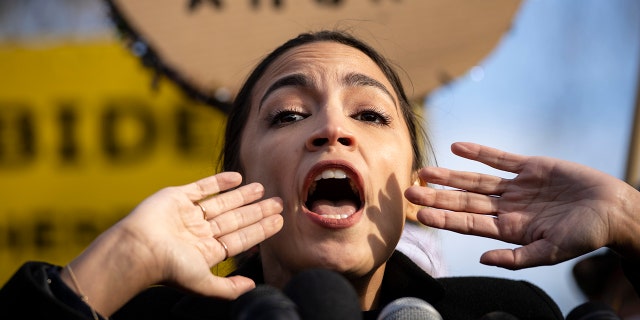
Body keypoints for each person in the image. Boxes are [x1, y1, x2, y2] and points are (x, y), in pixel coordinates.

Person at [1, 30, 639, 319]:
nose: (332, 128)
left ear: (411, 185)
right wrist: (124, 258)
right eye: (287, 115)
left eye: (368, 113)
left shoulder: (503, 316)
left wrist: (633, 225)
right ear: (238, 177)